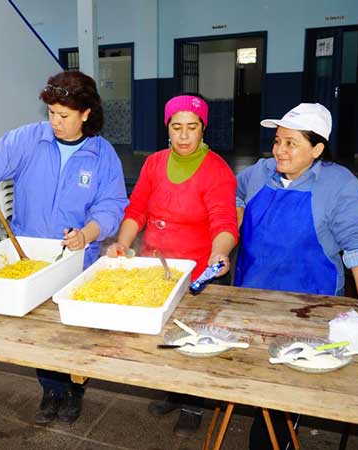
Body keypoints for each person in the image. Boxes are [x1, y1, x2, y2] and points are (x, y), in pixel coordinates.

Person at [0, 71, 128, 425]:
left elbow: (111, 206)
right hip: (31, 259)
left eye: (64, 115)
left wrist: (87, 234)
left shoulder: (102, 155)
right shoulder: (29, 140)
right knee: (39, 332)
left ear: (86, 113)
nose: (55, 122)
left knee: (73, 332)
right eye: (51, 113)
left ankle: (75, 389)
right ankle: (50, 389)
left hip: (76, 259)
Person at [234, 103, 358, 450]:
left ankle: (274, 436)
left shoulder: (339, 184)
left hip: (309, 303)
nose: (279, 150)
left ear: (317, 150)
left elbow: (356, 241)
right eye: (277, 141)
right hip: (252, 295)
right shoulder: (259, 173)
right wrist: (235, 229)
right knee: (254, 373)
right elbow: (236, 195)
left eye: (291, 143)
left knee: (288, 386)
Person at [106, 94, 238, 433]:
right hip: (156, 266)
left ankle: (193, 403)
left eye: (192, 127)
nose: (183, 135)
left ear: (203, 128)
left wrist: (219, 253)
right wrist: (123, 243)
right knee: (163, 332)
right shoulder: (154, 164)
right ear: (167, 128)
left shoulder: (216, 170)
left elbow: (224, 223)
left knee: (193, 338)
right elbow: (137, 210)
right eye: (176, 127)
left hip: (198, 271)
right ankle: (173, 391)